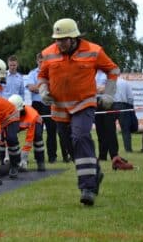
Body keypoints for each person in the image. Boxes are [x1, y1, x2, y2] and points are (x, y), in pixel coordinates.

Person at [38, 18, 120, 206]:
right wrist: (43, 90)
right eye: (57, 39)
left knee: (81, 137)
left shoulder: (94, 50)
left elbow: (113, 70)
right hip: (59, 107)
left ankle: (87, 189)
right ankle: (94, 171)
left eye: (63, 40)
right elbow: (42, 76)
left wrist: (108, 94)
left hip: (83, 104)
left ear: (74, 38)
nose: (59, 43)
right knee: (69, 146)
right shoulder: (48, 53)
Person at [25, 52, 73, 163]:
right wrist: (45, 88)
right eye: (40, 61)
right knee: (37, 132)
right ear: (37, 61)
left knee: (52, 132)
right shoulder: (32, 74)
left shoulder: (51, 72)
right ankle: (39, 158)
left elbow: (54, 87)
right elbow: (31, 88)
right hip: (36, 105)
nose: (42, 63)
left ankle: (52, 157)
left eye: (44, 61)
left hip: (48, 104)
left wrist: (42, 88)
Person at [8, 94, 46, 172]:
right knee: (10, 138)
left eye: (17, 112)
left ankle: (40, 162)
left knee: (37, 138)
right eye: (13, 112)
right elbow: (7, 136)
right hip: (21, 123)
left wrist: (23, 158)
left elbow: (29, 139)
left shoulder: (31, 116)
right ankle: (5, 161)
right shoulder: (8, 113)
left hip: (36, 121)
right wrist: (7, 157)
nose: (15, 114)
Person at [113, 77, 135, 152]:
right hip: (123, 106)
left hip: (111, 106)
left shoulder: (108, 82)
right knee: (125, 129)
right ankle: (128, 149)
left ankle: (113, 150)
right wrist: (130, 107)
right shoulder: (125, 82)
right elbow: (130, 97)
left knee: (111, 129)